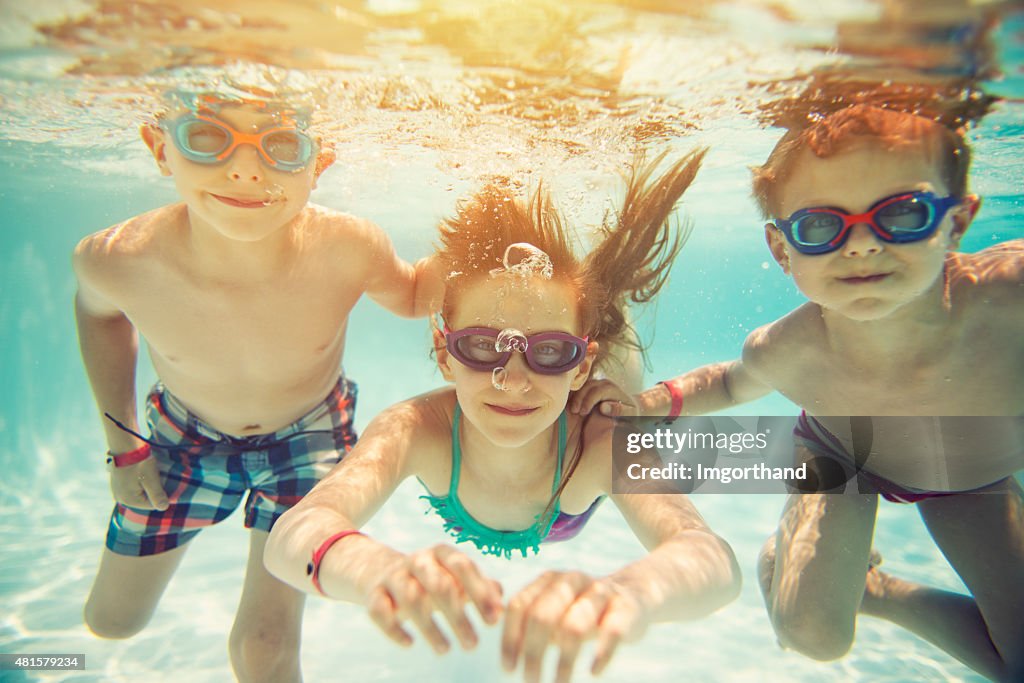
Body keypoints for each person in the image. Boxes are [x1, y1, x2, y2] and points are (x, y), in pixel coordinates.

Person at [578, 105, 1024, 681]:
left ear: (958, 220)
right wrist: (642, 405)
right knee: (813, 637)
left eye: (904, 214)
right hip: (841, 458)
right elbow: (730, 381)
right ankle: (795, 565)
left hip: (974, 480)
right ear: (781, 249)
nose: (861, 245)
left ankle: (875, 590)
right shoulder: (789, 347)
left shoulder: (1009, 299)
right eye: (821, 226)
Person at [264, 148, 741, 683]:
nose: (513, 380)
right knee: (578, 325)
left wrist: (631, 594)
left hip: (581, 428)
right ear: (445, 354)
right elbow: (291, 536)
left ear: (578, 366)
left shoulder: (599, 444)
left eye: (552, 352)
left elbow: (713, 559)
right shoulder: (416, 429)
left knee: (620, 373)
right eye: (483, 347)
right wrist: (376, 569)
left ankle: (598, 318)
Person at [72, 89, 442, 683]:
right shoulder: (118, 259)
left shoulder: (349, 247)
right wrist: (124, 443)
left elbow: (419, 295)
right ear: (159, 148)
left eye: (282, 146)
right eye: (208, 136)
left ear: (318, 165)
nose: (245, 169)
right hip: (181, 436)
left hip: (309, 434)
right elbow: (98, 315)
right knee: (111, 622)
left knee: (264, 649)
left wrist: (487, 221)